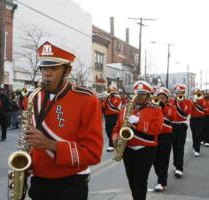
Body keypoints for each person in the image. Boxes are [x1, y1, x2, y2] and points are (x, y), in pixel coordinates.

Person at [25, 39, 103, 200]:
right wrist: (26, 163)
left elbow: (93, 153)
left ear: (67, 70)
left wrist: (50, 145)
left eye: (53, 68)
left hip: (71, 184)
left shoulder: (87, 99)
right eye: (44, 68)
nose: (46, 73)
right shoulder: (34, 97)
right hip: (39, 181)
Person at [112, 80, 163, 200]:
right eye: (137, 93)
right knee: (131, 179)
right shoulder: (125, 109)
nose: (139, 96)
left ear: (148, 95)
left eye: (142, 94)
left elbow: (156, 129)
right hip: (128, 149)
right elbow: (116, 128)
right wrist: (115, 139)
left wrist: (139, 122)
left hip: (146, 149)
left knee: (140, 180)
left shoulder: (155, 110)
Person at [153, 87, 176, 192]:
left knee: (163, 160)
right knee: (155, 161)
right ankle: (161, 178)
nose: (161, 99)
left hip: (166, 137)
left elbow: (173, 116)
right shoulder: (153, 107)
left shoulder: (171, 107)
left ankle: (161, 182)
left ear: (167, 99)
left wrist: (163, 107)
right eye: (159, 97)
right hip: (154, 137)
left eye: (163, 98)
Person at [170, 84, 192, 178]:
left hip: (182, 126)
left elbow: (186, 112)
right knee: (174, 147)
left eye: (181, 93)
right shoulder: (171, 102)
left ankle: (179, 168)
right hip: (172, 126)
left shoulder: (187, 102)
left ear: (184, 93)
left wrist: (181, 102)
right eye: (177, 93)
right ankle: (175, 165)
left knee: (180, 147)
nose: (179, 94)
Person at [102, 85, 122, 151]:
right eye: (109, 91)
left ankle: (111, 145)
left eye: (111, 91)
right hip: (107, 117)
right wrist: (105, 100)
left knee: (112, 130)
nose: (110, 92)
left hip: (114, 116)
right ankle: (113, 142)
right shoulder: (107, 98)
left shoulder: (117, 98)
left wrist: (108, 99)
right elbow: (103, 107)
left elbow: (114, 107)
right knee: (107, 130)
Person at [190, 88, 206, 157]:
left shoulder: (202, 100)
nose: (196, 95)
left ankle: (197, 150)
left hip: (200, 119)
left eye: (197, 93)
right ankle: (194, 146)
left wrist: (199, 99)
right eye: (195, 93)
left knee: (198, 135)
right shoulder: (191, 101)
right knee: (194, 134)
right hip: (193, 119)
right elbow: (189, 109)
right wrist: (193, 101)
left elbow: (204, 106)